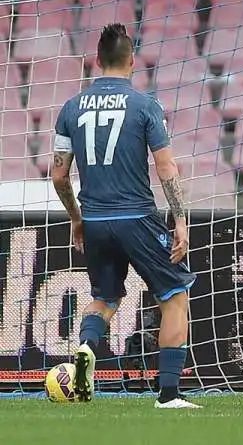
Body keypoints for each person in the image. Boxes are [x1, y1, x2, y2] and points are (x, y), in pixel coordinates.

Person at [51, 23, 199, 409]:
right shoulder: (145, 105)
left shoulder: (71, 107)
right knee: (174, 297)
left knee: (104, 297)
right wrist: (180, 219)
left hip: (96, 220)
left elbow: (59, 174)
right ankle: (169, 394)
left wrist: (77, 217)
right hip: (137, 216)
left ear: (97, 61)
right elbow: (166, 167)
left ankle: (85, 347)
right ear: (132, 61)